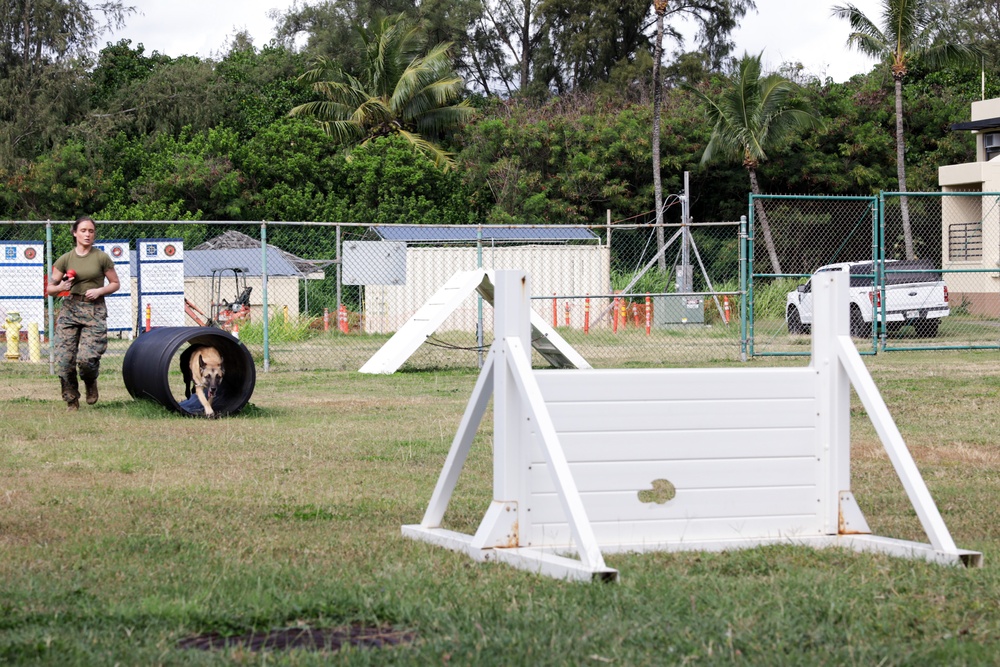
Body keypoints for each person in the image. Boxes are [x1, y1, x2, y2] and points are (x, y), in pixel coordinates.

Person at [46, 216, 121, 410]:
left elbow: (115, 283)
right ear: (75, 233)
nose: (87, 234)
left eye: (91, 231)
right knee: (64, 359)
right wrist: (61, 286)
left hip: (94, 309)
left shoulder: (101, 257)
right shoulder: (66, 258)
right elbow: (50, 289)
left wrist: (99, 290)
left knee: (87, 359)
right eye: (83, 231)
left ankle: (90, 381)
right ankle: (71, 399)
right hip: (70, 309)